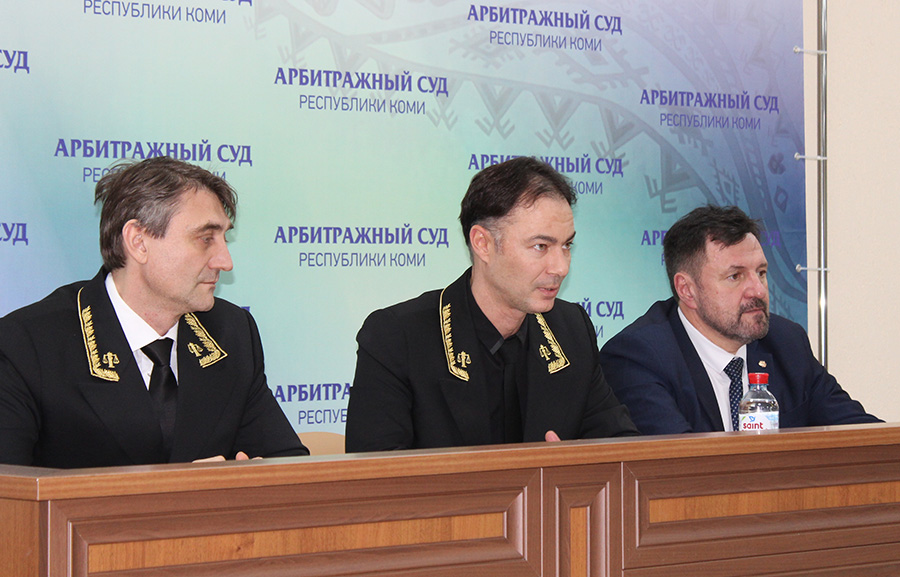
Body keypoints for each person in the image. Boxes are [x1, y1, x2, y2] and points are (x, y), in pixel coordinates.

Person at [0, 156, 309, 468]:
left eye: (223, 239)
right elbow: (10, 490)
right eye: (205, 239)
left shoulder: (231, 333)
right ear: (139, 242)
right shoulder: (25, 346)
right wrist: (189, 490)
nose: (225, 262)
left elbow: (288, 466)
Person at [345, 157, 638, 452]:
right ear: (483, 244)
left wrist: (570, 469)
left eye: (566, 245)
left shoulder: (571, 330)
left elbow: (621, 449)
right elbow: (376, 474)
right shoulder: (397, 338)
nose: (561, 267)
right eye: (541, 246)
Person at [599, 205, 879, 435]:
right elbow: (680, 467)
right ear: (687, 290)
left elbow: (862, 437)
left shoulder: (787, 342)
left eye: (761, 273)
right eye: (735, 276)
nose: (758, 290)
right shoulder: (638, 358)